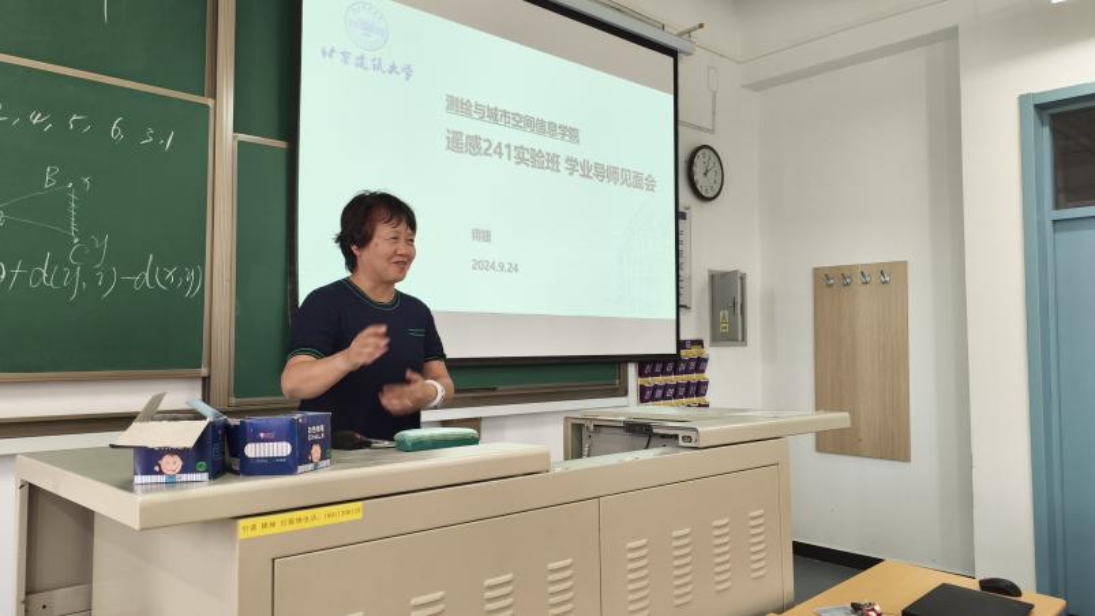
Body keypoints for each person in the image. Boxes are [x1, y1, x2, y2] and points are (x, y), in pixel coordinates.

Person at [281, 191, 454, 441]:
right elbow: (293, 384)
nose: (404, 250)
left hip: (402, 453)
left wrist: (430, 392)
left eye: (410, 240)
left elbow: (443, 380)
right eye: (393, 238)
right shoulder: (325, 302)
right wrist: (348, 358)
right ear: (356, 244)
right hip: (333, 454)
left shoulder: (417, 311)